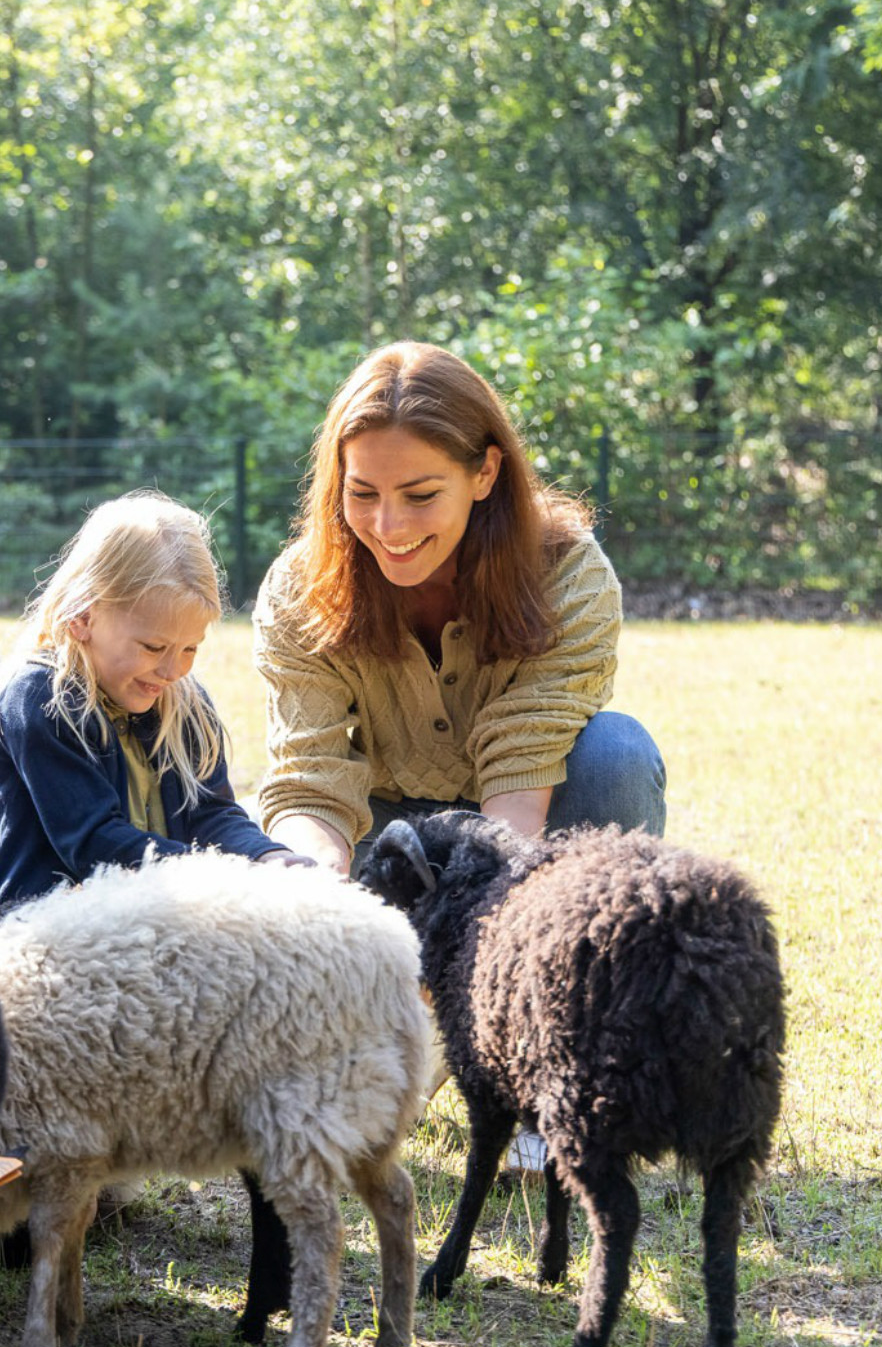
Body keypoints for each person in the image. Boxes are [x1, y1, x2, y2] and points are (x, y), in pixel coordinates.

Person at [253, 339, 666, 1173]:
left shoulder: (569, 574)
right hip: (384, 835)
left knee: (618, 755)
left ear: (484, 474)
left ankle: (555, 1059)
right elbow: (310, 784)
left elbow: (518, 790)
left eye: (419, 494)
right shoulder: (300, 589)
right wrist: (322, 914)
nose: (389, 527)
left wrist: (469, 950)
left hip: (520, 825)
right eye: (362, 495)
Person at [0, 491, 307, 919]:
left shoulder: (183, 703)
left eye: (190, 648)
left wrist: (266, 857)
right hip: (40, 931)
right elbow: (95, 843)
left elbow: (212, 814)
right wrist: (228, 877)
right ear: (83, 616)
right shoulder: (40, 697)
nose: (173, 670)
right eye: (153, 646)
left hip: (154, 916)